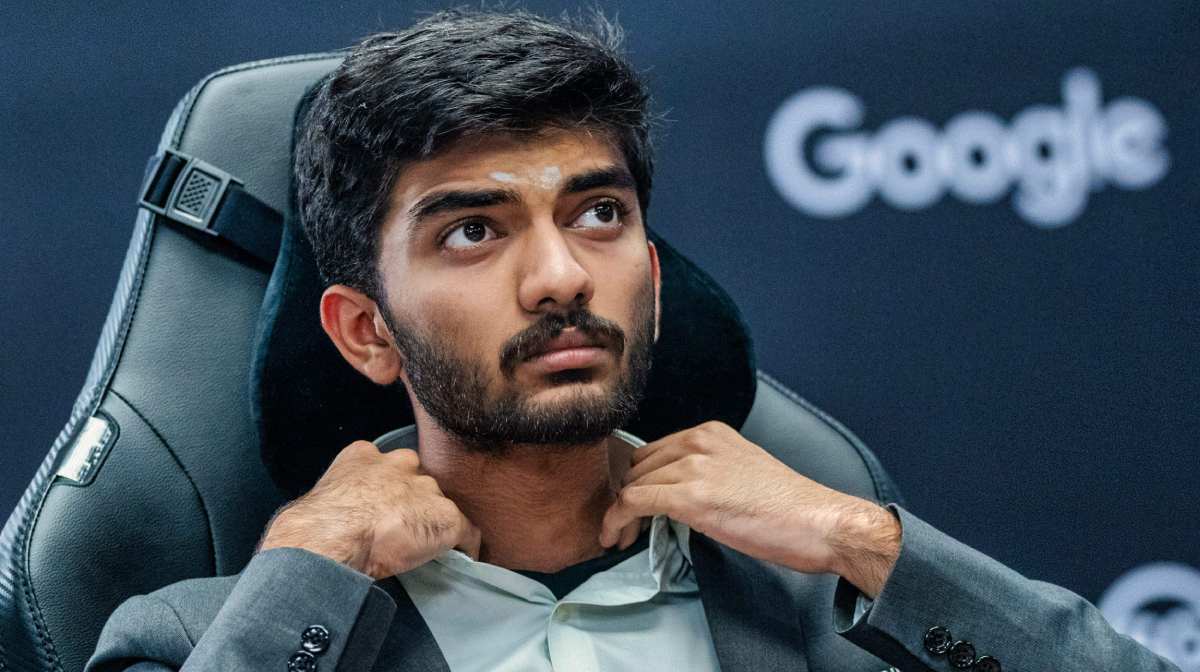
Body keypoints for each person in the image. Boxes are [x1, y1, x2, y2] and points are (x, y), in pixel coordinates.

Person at [86, 8, 1180, 672]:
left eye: (597, 213)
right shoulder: (197, 637)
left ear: (651, 274)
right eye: (475, 229)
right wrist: (309, 576)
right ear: (367, 332)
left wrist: (860, 539)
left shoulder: (828, 617)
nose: (561, 274)